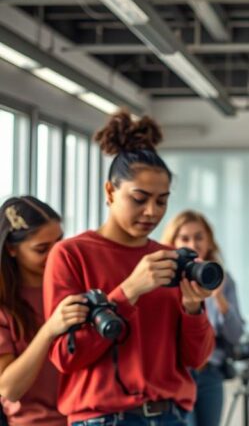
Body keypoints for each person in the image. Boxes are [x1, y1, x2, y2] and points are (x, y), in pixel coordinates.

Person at [43, 110, 215, 425]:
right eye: (139, 198)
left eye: (162, 201)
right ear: (110, 191)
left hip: (169, 416)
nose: (152, 212)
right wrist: (128, 292)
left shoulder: (170, 259)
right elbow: (66, 356)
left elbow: (197, 359)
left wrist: (193, 307)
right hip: (102, 418)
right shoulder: (71, 255)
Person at [0, 197, 86, 425]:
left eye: (59, 243)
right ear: (11, 249)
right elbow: (8, 388)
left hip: (87, 418)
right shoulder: (5, 306)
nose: (55, 253)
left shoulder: (76, 287)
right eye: (41, 249)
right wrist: (49, 330)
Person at [162, 210, 244, 426]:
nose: (193, 244)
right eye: (185, 238)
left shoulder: (224, 280)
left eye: (199, 237)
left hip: (211, 373)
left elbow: (236, 335)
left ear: (209, 241)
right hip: (177, 374)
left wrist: (219, 298)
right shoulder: (164, 281)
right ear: (173, 242)